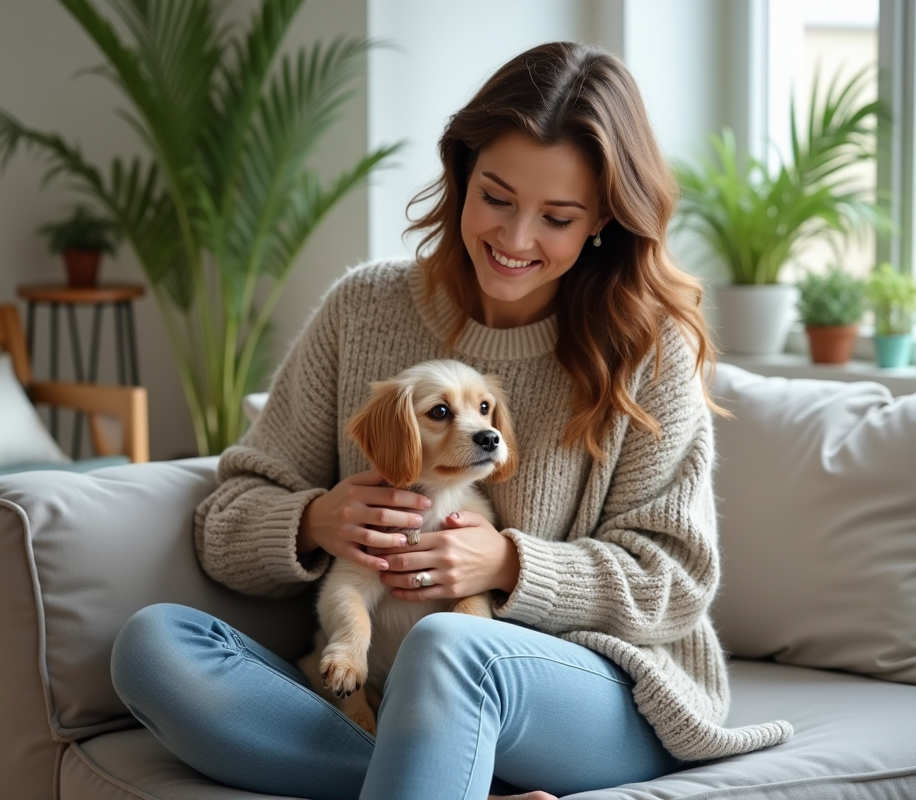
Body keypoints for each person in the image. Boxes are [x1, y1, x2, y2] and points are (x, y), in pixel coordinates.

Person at [110, 41, 792, 800]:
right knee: (154, 645)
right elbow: (225, 521)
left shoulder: (648, 349)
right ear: (462, 171)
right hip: (393, 683)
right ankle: (454, 777)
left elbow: (676, 583)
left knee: (450, 644)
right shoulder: (361, 310)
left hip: (599, 694)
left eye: (557, 218)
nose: (515, 239)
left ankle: (440, 763)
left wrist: (507, 566)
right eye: (496, 197)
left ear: (602, 217)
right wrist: (316, 518)